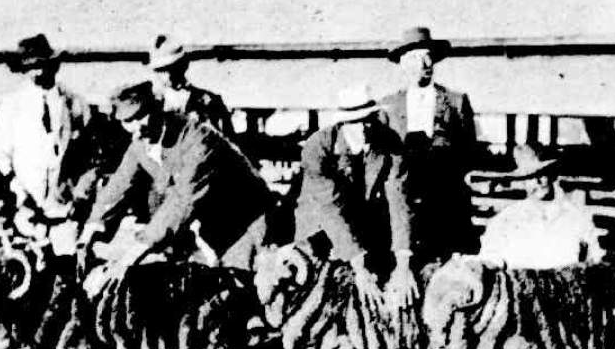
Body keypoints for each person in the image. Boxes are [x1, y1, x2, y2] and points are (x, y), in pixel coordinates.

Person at [0, 33, 102, 349]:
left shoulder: (75, 104)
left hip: (65, 211)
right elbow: (0, 157)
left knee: (66, 279)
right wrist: (19, 196)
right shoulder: (12, 107)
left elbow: (91, 158)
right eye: (31, 68)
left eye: (43, 66)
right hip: (28, 210)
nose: (38, 73)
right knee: (26, 279)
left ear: (54, 65)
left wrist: (79, 196)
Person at [82, 82, 273, 281]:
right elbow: (118, 187)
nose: (137, 126)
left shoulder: (197, 138)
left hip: (244, 220)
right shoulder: (140, 144)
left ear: (157, 108)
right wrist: (92, 230)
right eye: (128, 121)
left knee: (244, 289)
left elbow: (183, 198)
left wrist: (140, 247)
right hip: (207, 224)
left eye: (141, 115)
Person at [294, 84, 417, 310]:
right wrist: (359, 267)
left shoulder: (390, 143)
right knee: (323, 291)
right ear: (342, 123)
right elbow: (332, 208)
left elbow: (400, 201)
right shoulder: (317, 147)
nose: (363, 128)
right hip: (320, 224)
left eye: (368, 119)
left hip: (362, 223)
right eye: (354, 122)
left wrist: (403, 263)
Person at [380, 26, 477, 263]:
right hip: (402, 204)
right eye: (415, 58)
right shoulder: (389, 106)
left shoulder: (456, 102)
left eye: (428, 57)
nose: (424, 64)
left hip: (446, 203)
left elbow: (468, 151)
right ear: (403, 64)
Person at [479, 145, 604, 269]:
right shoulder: (506, 219)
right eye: (530, 177)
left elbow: (595, 259)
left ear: (552, 175)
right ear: (523, 182)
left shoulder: (577, 218)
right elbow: (489, 258)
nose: (537, 182)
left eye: (542, 174)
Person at [147, 34, 235, 137]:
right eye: (161, 70)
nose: (167, 75)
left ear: (184, 65)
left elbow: (227, 144)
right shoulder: (151, 106)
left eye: (172, 68)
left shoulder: (209, 102)